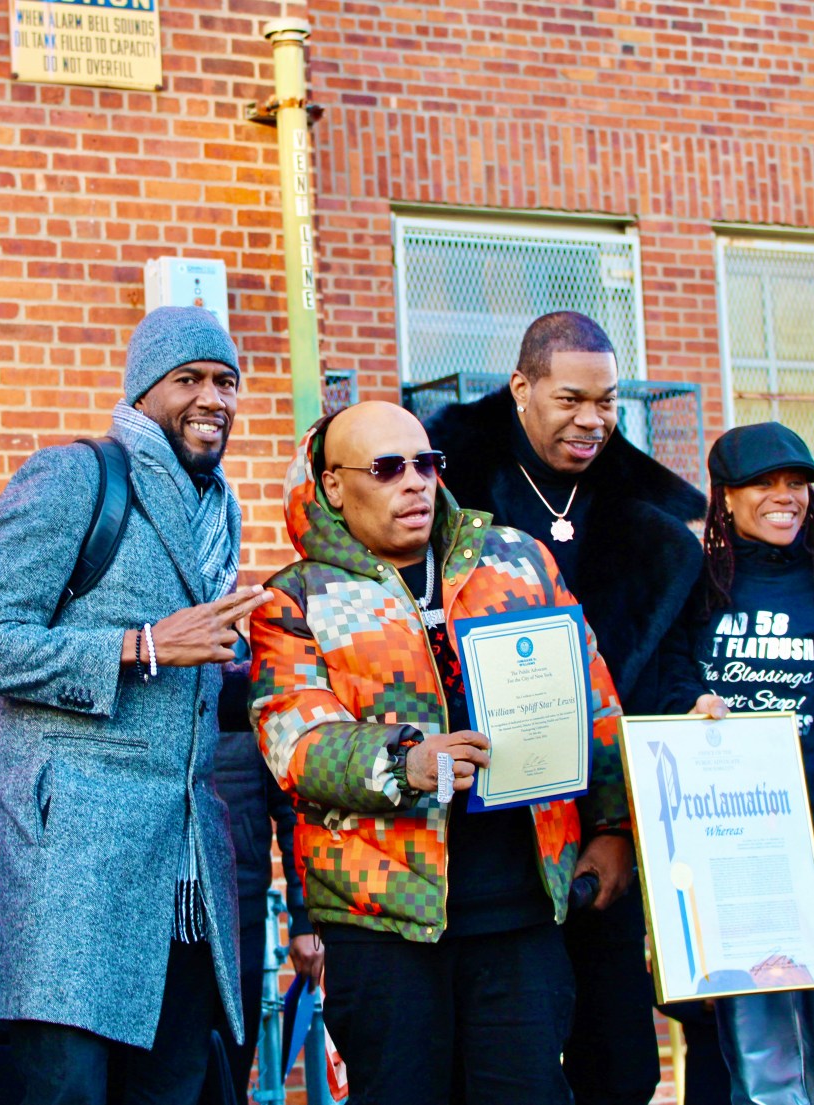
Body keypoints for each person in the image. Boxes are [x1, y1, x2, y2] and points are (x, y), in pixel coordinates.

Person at [248, 400, 631, 1105]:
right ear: (334, 484)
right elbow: (296, 742)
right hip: (382, 930)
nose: (416, 482)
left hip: (520, 922)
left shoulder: (517, 561)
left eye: (426, 464)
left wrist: (613, 829)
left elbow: (595, 704)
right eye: (388, 468)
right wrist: (406, 761)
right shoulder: (295, 600)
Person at [0, 305, 272, 1105]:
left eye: (225, 382)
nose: (212, 398)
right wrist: (141, 644)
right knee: (68, 1095)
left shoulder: (219, 511)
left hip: (186, 872)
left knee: (172, 1091)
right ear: (144, 389)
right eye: (189, 379)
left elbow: (191, 683)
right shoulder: (74, 476)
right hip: (77, 872)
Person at [425, 309, 708, 1105]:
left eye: (610, 402)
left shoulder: (654, 533)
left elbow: (667, 673)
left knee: (619, 1061)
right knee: (496, 1069)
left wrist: (620, 824)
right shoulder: (441, 492)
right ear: (521, 388)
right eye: (572, 399)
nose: (593, 420)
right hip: (484, 843)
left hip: (604, 834)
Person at [663, 421, 814, 1105]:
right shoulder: (698, 587)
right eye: (763, 483)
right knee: (764, 1068)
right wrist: (691, 705)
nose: (784, 496)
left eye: (796, 483)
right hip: (735, 854)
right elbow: (670, 684)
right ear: (727, 497)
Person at [209, 658, 324, 1104]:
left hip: (240, 906)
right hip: (156, 906)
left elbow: (294, 811)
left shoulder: (247, 675)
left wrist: (304, 920)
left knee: (230, 1071)